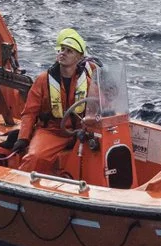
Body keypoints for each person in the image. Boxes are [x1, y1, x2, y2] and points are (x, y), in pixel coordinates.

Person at [11, 28, 98, 171]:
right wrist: (23, 138)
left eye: (69, 51)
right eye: (62, 49)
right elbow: (30, 112)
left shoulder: (88, 82)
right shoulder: (43, 80)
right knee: (34, 157)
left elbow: (98, 107)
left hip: (80, 132)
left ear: (79, 57)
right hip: (52, 132)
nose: (63, 53)